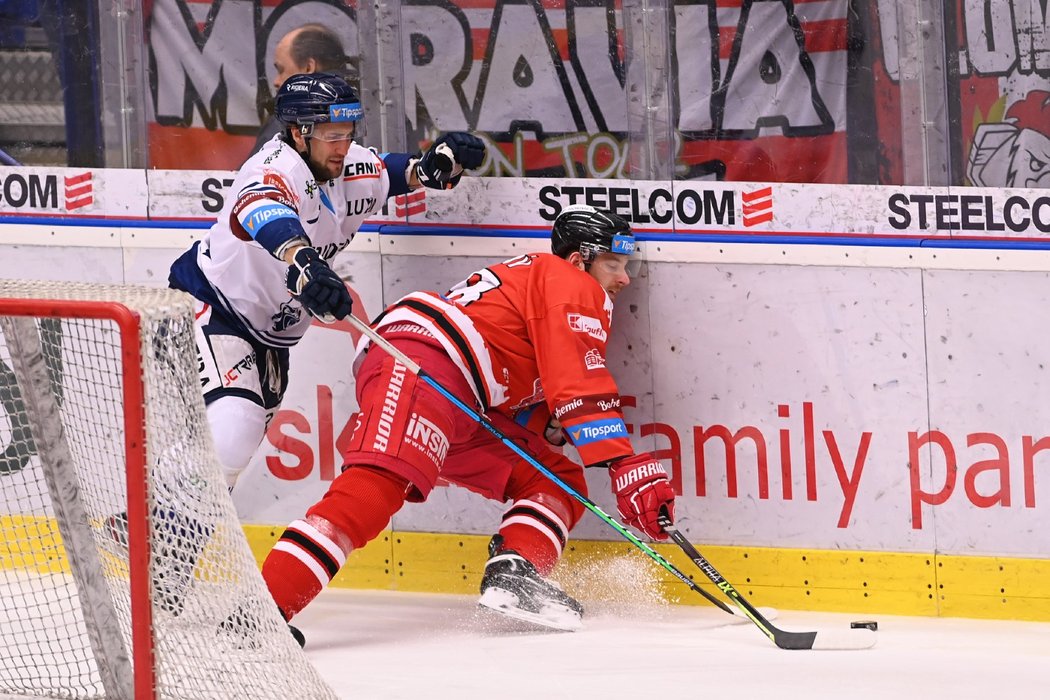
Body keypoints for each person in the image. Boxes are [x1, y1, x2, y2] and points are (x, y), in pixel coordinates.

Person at [105, 72, 484, 617]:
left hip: (271, 334)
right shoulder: (269, 169)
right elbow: (266, 213)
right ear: (298, 131)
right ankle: (156, 538)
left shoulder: (348, 166)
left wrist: (436, 164)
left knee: (229, 450)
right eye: (331, 131)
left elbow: (394, 174)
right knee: (233, 430)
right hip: (212, 305)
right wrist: (304, 262)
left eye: (348, 129)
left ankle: (148, 532)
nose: (343, 142)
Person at [259, 205, 677, 641]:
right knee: (372, 490)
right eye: (614, 263)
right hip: (424, 368)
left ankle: (516, 572)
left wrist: (550, 424)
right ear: (579, 260)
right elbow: (580, 384)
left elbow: (528, 375)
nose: (624, 278)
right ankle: (264, 610)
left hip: (459, 393)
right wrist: (623, 463)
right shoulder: (569, 282)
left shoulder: (542, 286)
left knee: (554, 481)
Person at [250, 23, 355, 157]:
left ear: (308, 68)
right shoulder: (374, 109)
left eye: (281, 70)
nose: (276, 82)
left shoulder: (290, 119)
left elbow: (253, 174)